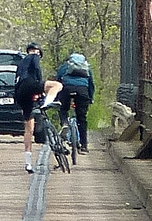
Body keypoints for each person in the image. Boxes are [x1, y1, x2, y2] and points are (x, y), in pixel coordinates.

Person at [16, 42, 62, 172]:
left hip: (20, 93)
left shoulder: (21, 62)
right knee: (57, 86)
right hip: (30, 85)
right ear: (38, 52)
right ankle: (47, 103)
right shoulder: (34, 56)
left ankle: (28, 163)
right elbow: (36, 69)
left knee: (28, 129)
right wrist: (40, 84)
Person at [55, 52, 94, 153]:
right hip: (83, 91)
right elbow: (91, 84)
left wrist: (57, 97)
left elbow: (58, 81)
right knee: (82, 118)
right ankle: (84, 145)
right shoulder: (86, 67)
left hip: (67, 89)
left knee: (63, 109)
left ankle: (64, 123)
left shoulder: (65, 66)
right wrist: (90, 98)